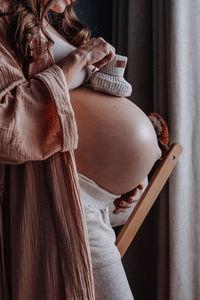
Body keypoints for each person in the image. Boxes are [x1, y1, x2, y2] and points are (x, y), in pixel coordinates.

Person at [0, 0, 161, 299]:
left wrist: (125, 177)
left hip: (99, 204)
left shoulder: (55, 24)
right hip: (64, 199)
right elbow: (7, 128)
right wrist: (77, 61)